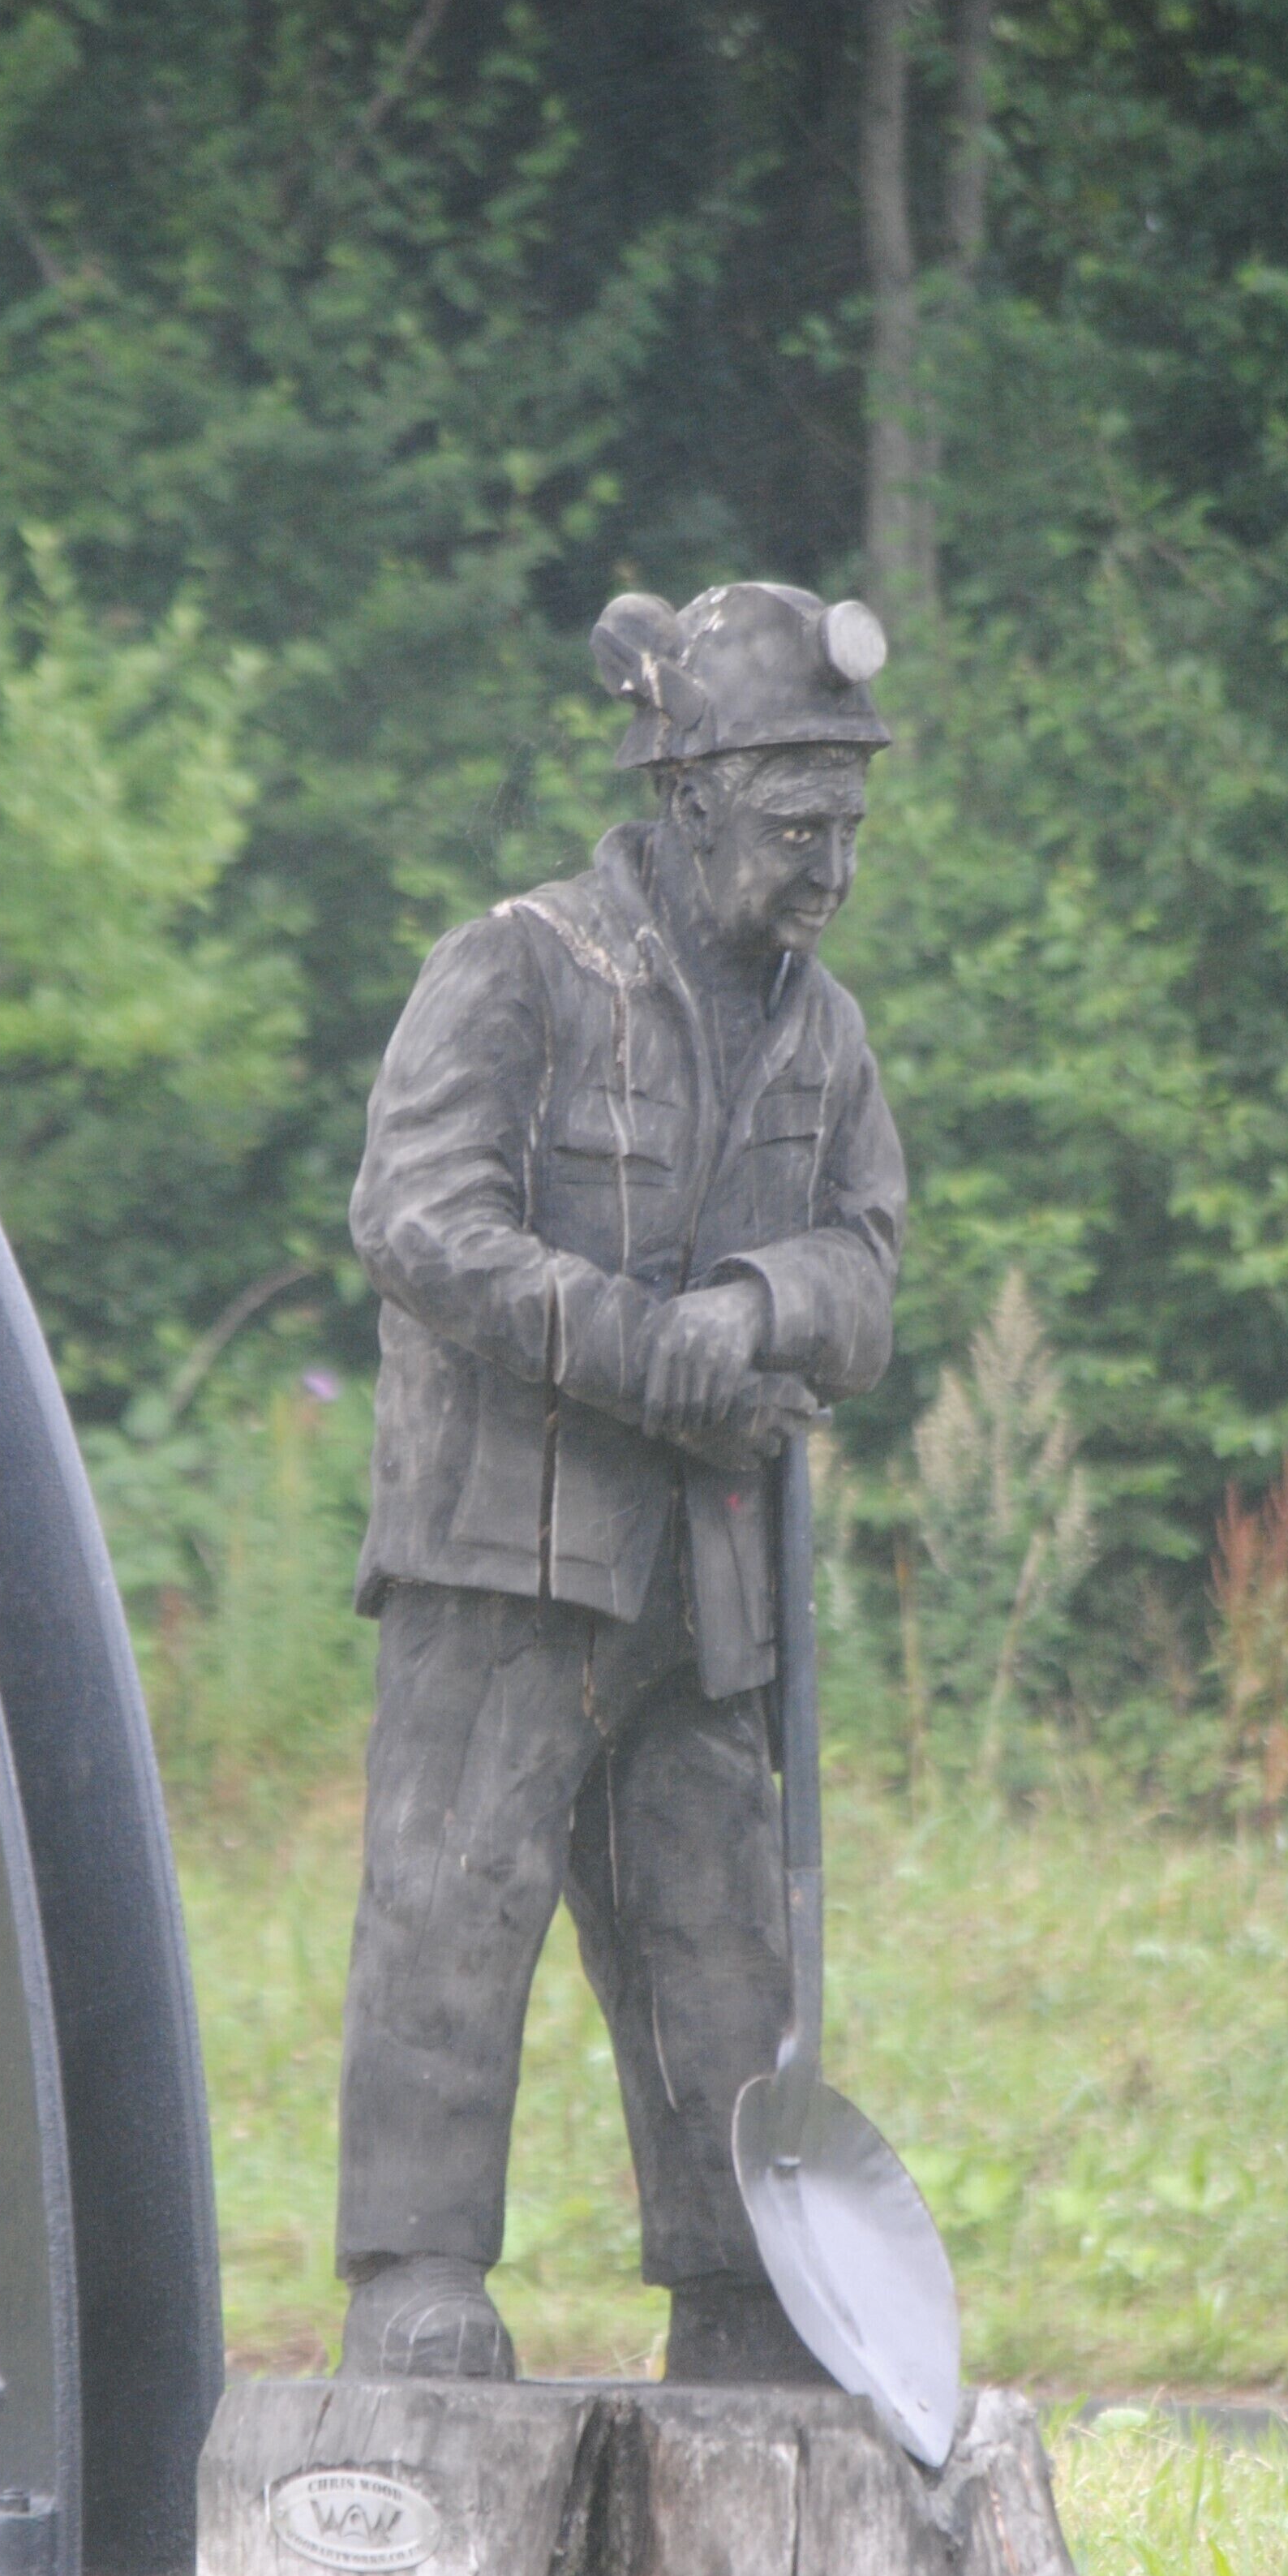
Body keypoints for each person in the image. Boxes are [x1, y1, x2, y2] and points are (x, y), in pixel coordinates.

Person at [337, 580, 906, 2384]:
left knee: (713, 1920)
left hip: (707, 1572)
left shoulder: (823, 1032)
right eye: (796, 826)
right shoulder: (510, 966)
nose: (827, 867)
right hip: (503, 1547)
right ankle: (410, 2274)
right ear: (689, 798)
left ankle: (744, 2289)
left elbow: (868, 1263)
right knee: (455, 1893)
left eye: (845, 829)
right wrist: (627, 1339)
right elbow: (414, 1220)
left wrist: (752, 1305)